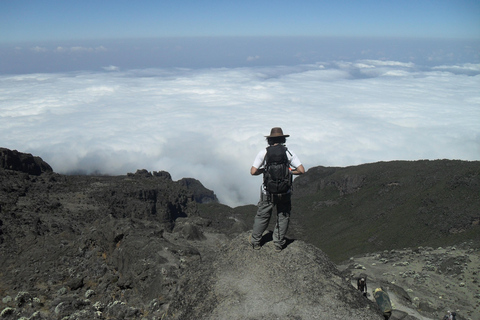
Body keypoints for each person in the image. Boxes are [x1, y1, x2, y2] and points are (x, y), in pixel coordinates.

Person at [250, 127, 305, 251]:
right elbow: (301, 170)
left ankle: (256, 242)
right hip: (284, 192)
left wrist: (264, 170)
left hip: (267, 192)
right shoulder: (288, 152)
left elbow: (253, 172)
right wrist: (290, 171)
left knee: (263, 216)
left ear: (269, 140)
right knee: (283, 216)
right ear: (283, 139)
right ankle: (278, 243)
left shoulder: (263, 152)